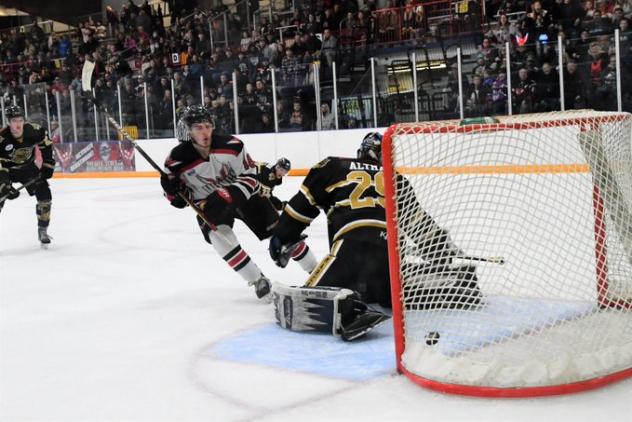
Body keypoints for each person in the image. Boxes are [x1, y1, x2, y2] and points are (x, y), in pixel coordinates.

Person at [268, 132, 483, 340]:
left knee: (312, 296)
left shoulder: (333, 166)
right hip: (389, 252)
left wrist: (281, 235)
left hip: (350, 243)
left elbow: (301, 207)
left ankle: (350, 305)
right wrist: (440, 250)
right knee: (385, 291)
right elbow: (418, 223)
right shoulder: (394, 177)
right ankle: (450, 281)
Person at [160, 106, 316, 301]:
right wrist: (173, 191)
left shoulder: (233, 146)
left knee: (285, 236)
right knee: (218, 237)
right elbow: (180, 199)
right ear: (187, 131)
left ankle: (317, 270)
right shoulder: (175, 161)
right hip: (210, 205)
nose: (205, 132)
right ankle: (258, 280)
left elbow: (251, 177)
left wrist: (227, 194)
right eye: (198, 127)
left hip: (247, 198)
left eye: (208, 126)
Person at [0, 105, 55, 247]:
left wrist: (48, 164)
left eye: (20, 120)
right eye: (14, 121)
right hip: (6, 170)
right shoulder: (2, 138)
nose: (18, 124)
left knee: (45, 195)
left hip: (28, 168)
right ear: (8, 122)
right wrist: (5, 184)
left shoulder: (34, 130)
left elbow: (46, 144)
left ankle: (43, 230)